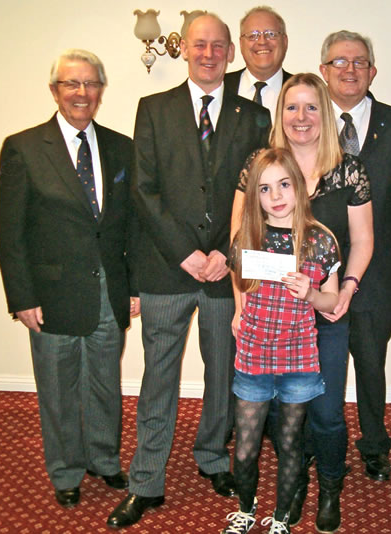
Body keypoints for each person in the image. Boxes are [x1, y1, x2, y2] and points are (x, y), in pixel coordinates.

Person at [106, 13, 271, 529]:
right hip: (165, 268)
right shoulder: (152, 109)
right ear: (185, 51)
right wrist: (186, 253)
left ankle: (212, 460)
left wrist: (225, 250)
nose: (208, 53)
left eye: (218, 46)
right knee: (159, 379)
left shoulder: (254, 116)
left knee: (223, 374)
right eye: (199, 45)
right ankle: (146, 481)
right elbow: (144, 191)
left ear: (230, 53)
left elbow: (260, 196)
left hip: (226, 270)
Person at [0, 49, 138, 509]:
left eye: (90, 84)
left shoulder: (122, 147)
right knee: (58, 387)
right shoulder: (23, 147)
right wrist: (22, 296)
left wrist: (133, 285)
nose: (82, 93)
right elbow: (10, 232)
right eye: (71, 84)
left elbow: (132, 224)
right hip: (50, 295)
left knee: (104, 383)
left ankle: (104, 459)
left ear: (101, 90)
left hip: (108, 291)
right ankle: (66, 469)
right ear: (55, 90)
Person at [232, 73, 373, 533]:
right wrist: (239, 307)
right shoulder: (261, 163)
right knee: (277, 417)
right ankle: (292, 492)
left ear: (325, 113)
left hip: (325, 311)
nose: (301, 117)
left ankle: (330, 487)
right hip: (267, 320)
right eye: (292, 107)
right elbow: (241, 246)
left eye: (312, 107)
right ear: (280, 114)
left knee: (328, 413)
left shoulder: (349, 168)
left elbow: (363, 240)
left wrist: (344, 293)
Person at [222, 147, 340, 534]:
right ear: (254, 195)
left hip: (299, 358)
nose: (275, 197)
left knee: (290, 443)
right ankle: (245, 508)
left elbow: (332, 300)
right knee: (245, 447)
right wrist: (240, 312)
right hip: (254, 354)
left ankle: (283, 518)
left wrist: (310, 293)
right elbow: (240, 280)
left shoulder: (320, 241)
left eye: (284, 185)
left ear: (300, 186)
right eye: (265, 188)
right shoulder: (247, 236)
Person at [319, 30, 391, 483]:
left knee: (371, 362)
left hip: (376, 268)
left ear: (373, 71)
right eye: (340, 62)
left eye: (359, 62)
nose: (350, 70)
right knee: (320, 362)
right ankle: (322, 439)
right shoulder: (307, 122)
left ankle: (375, 445)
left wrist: (362, 228)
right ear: (324, 72)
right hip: (316, 272)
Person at [224, 6, 291, 122]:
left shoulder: (303, 90)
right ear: (241, 44)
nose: (262, 41)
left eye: (271, 34)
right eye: (253, 35)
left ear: (285, 42)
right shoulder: (221, 87)